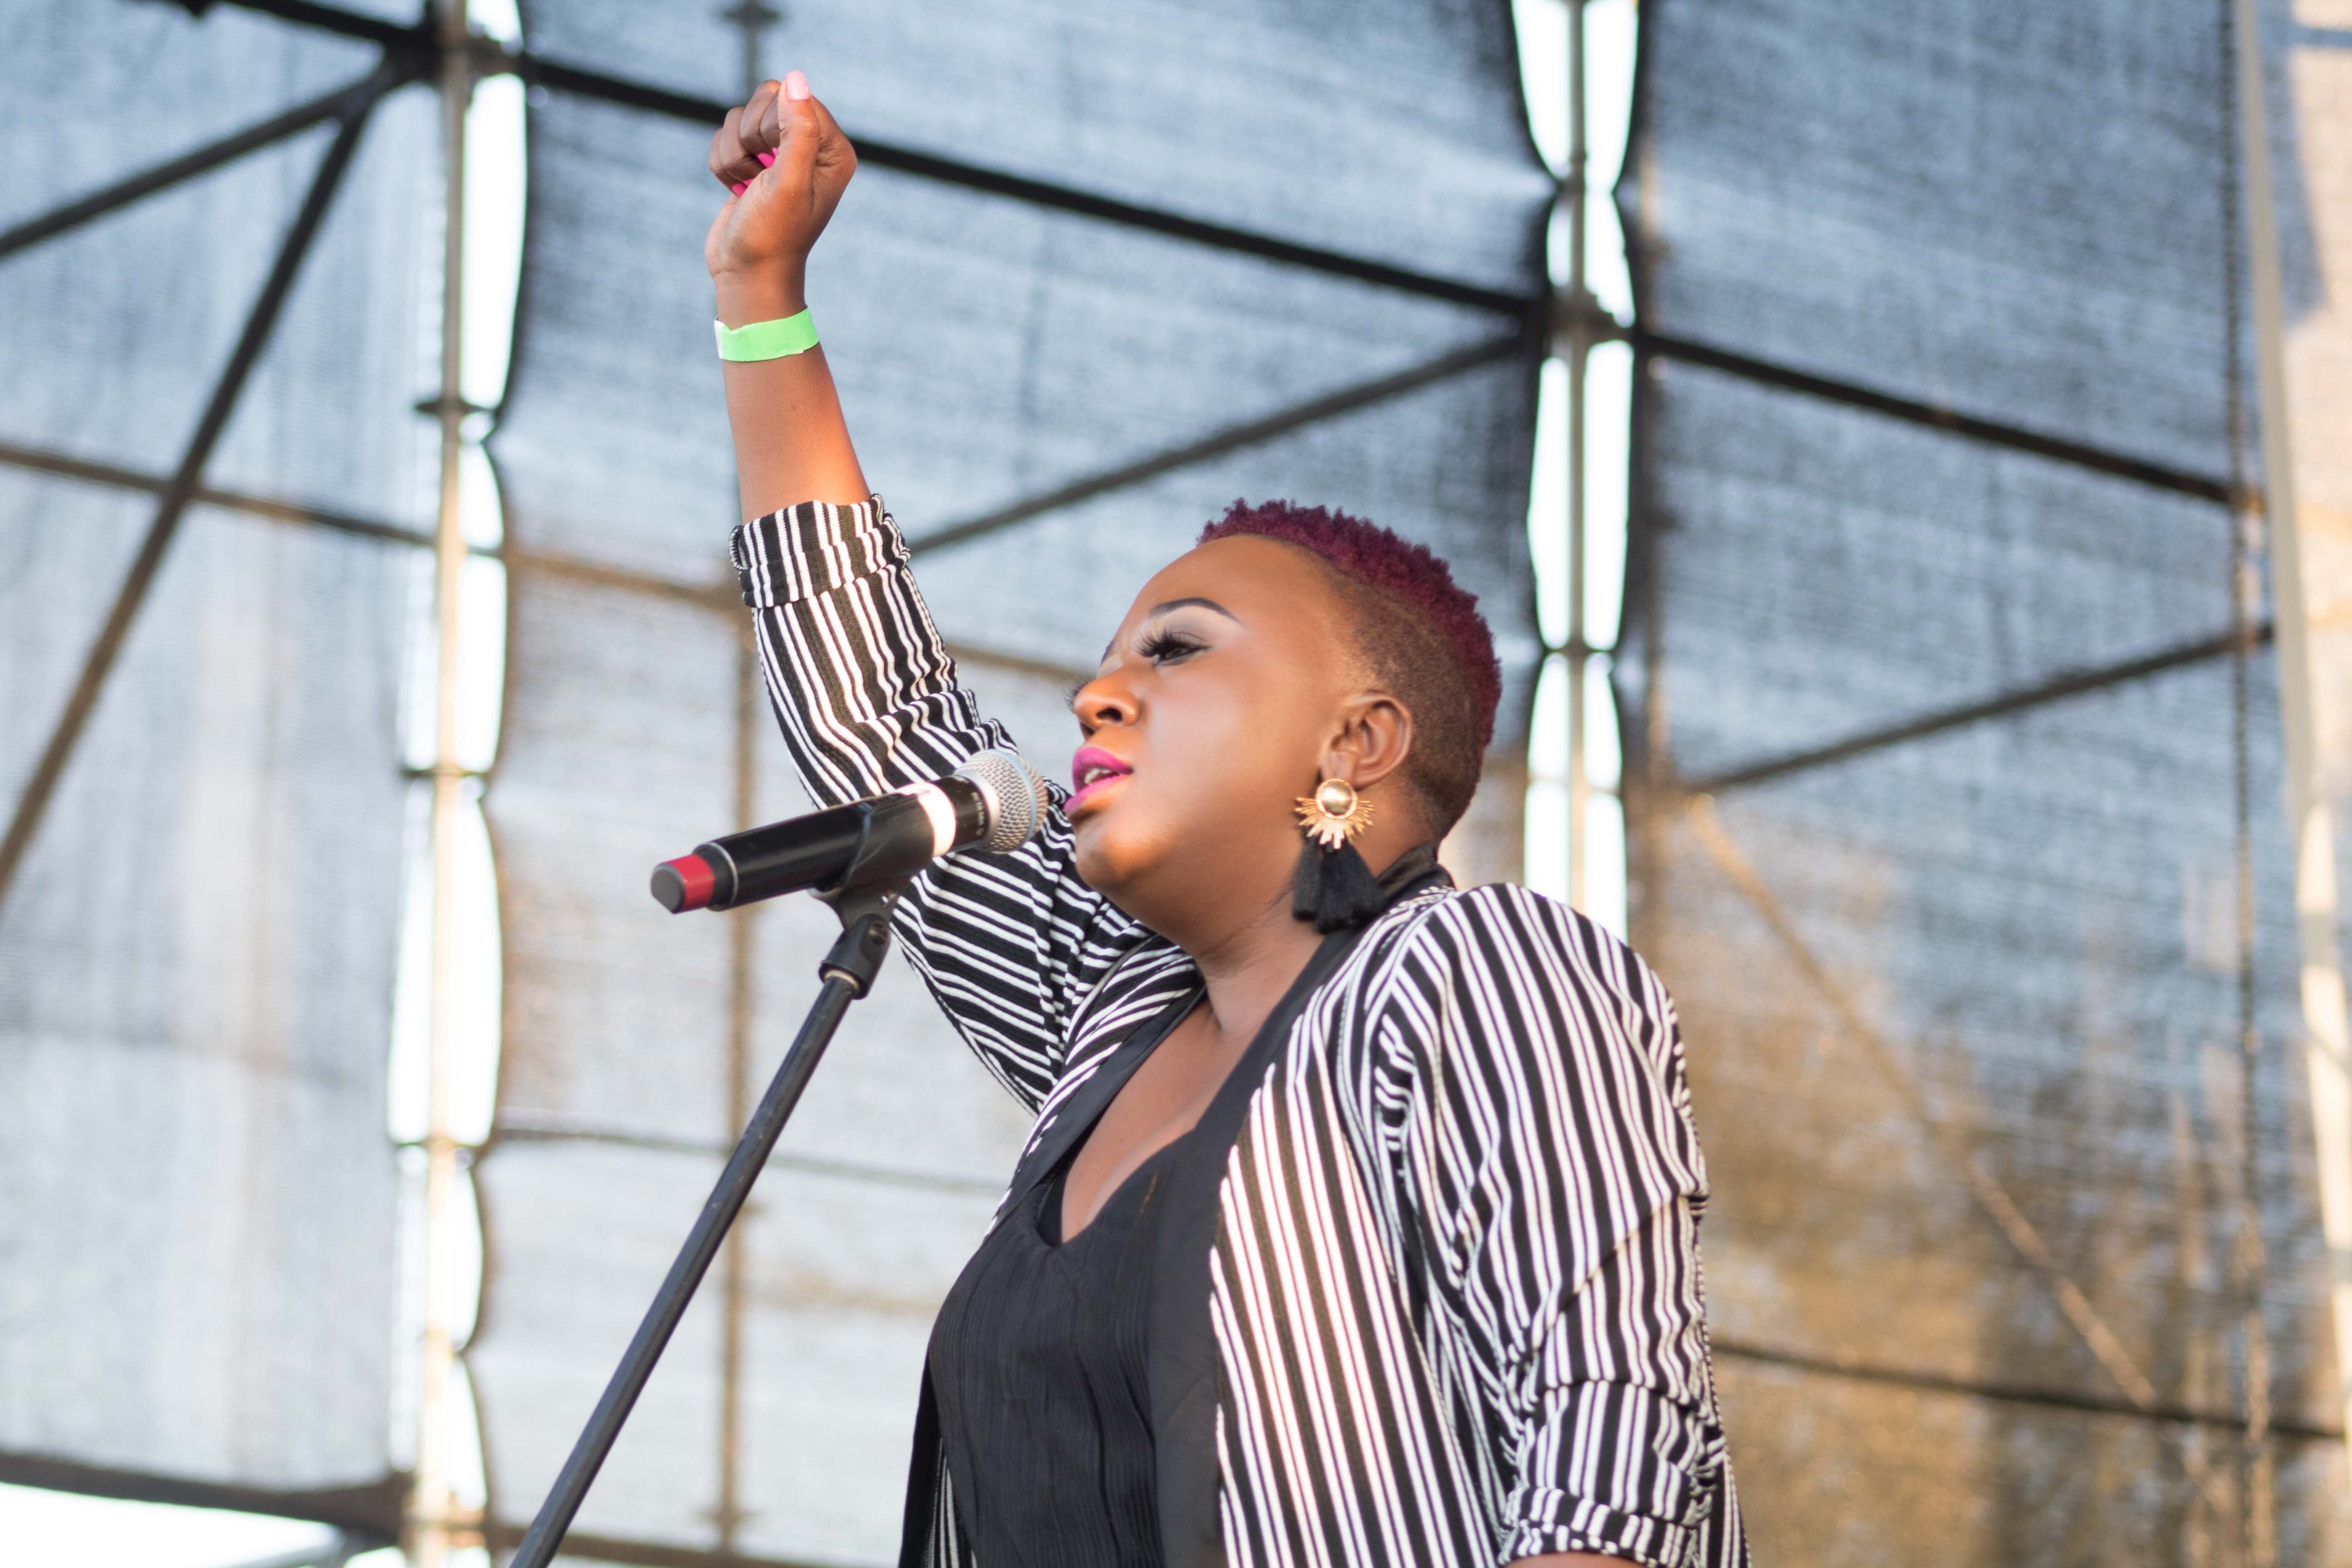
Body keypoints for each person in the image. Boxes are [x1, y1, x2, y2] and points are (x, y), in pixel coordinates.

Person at [702, 70, 1746, 1568]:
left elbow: (1614, 1433)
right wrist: (764, 291)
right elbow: (877, 715)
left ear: (1359, 740)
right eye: (1115, 659)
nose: (1096, 695)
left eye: (1175, 649)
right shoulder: (1105, 1016)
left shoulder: (1477, 975)